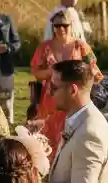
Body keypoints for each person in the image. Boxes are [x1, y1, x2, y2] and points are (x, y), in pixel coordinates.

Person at [30, 8, 99, 154]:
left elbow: (94, 71)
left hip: (75, 97)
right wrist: (50, 72)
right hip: (51, 98)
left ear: (71, 26)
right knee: (48, 136)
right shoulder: (44, 47)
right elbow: (36, 72)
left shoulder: (81, 47)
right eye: (57, 26)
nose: (61, 29)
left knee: (73, 133)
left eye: (64, 25)